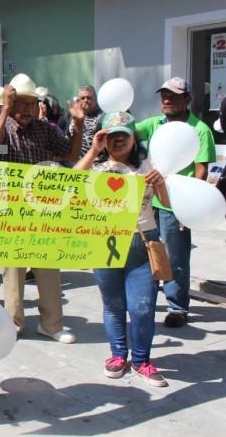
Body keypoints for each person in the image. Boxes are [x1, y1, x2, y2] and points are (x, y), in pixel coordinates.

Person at [0, 73, 85, 343]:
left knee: (49, 268)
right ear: (10, 103)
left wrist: (79, 123)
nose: (27, 109)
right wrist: (4, 112)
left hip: (43, 209)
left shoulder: (44, 129)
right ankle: (13, 324)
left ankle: (52, 324)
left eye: (32, 103)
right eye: (21, 103)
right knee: (13, 271)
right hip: (11, 211)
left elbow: (70, 154)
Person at [75, 111, 169, 387]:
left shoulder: (149, 165)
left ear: (133, 137)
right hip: (104, 241)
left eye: (123, 135)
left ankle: (142, 360)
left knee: (142, 307)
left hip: (142, 241)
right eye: (110, 135)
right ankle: (118, 355)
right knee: (113, 304)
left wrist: (161, 184)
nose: (117, 141)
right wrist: (94, 150)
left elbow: (167, 202)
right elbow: (69, 183)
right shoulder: (97, 168)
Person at [135, 78, 216, 328]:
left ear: (187, 99)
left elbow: (201, 170)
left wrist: (188, 210)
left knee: (176, 258)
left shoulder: (200, 129)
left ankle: (177, 307)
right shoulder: (155, 124)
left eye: (174, 96)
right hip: (149, 203)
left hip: (176, 205)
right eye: (164, 96)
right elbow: (128, 131)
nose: (167, 100)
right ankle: (146, 297)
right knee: (146, 254)